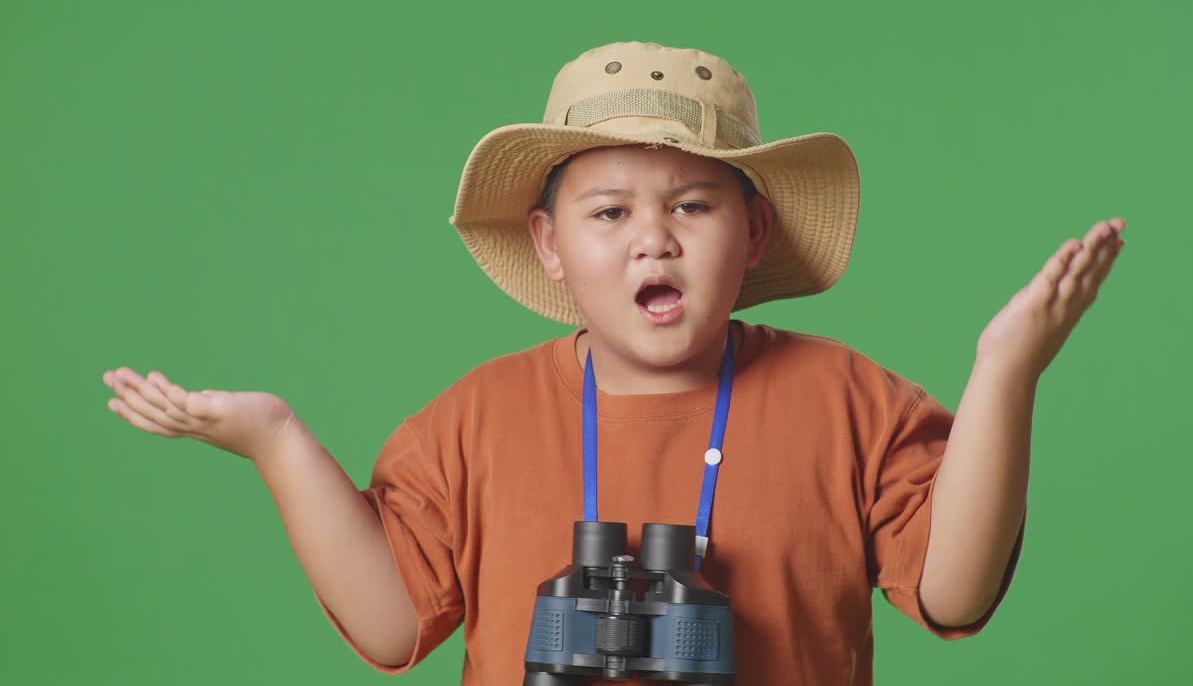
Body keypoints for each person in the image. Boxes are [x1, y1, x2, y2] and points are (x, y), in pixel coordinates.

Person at [101, 41, 1127, 685]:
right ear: (549, 245)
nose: (653, 240)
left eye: (692, 205)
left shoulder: (846, 400)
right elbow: (389, 625)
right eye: (609, 213)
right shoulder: (480, 416)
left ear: (753, 234)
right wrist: (275, 441)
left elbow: (954, 592)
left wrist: (1005, 374)